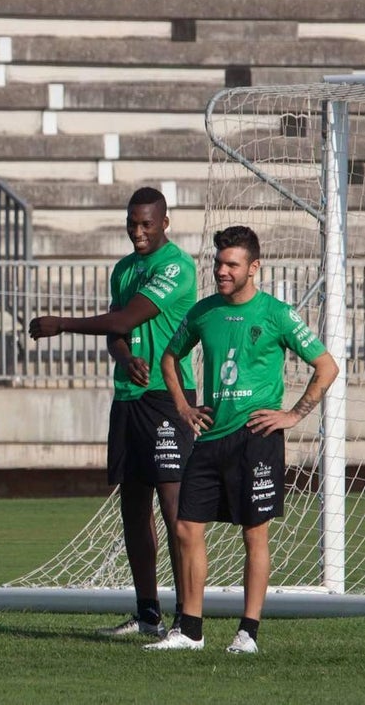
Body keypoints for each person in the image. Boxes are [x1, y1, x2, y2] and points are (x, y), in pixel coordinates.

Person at [146, 226, 337, 654]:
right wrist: (183, 408)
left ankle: (248, 632)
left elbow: (326, 366)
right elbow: (170, 357)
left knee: (254, 533)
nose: (221, 271)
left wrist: (292, 414)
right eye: (218, 263)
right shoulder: (203, 311)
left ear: (255, 267)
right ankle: (191, 629)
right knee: (185, 526)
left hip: (256, 438)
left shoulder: (277, 314)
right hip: (210, 436)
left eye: (231, 264)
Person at [29, 186, 197, 636]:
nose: (137, 232)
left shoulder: (177, 266)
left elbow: (124, 320)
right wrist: (125, 359)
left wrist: (61, 324)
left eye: (146, 224)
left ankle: (186, 618)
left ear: (165, 222)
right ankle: (147, 615)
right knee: (133, 508)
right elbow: (116, 334)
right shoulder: (123, 269)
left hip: (169, 397)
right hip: (128, 398)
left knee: (174, 506)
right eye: (131, 223)